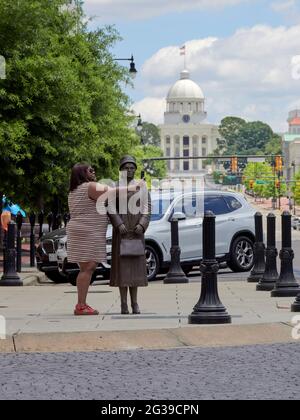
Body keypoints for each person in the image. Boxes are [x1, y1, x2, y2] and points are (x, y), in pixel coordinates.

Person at [67, 162, 144, 316]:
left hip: (80, 229)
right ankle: (81, 306)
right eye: (90, 170)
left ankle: (81, 304)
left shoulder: (74, 190)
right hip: (88, 231)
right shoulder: (90, 187)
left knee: (85, 268)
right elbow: (112, 191)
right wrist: (133, 188)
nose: (93, 171)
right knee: (88, 267)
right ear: (82, 174)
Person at [108, 155, 151, 314]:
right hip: (122, 231)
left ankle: (135, 303)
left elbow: (147, 206)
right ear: (121, 169)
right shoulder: (114, 185)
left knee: (135, 269)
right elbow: (110, 207)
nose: (130, 170)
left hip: (137, 230)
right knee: (122, 270)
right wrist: (118, 224)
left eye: (132, 167)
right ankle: (124, 304)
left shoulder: (142, 185)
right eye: (126, 167)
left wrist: (142, 224)